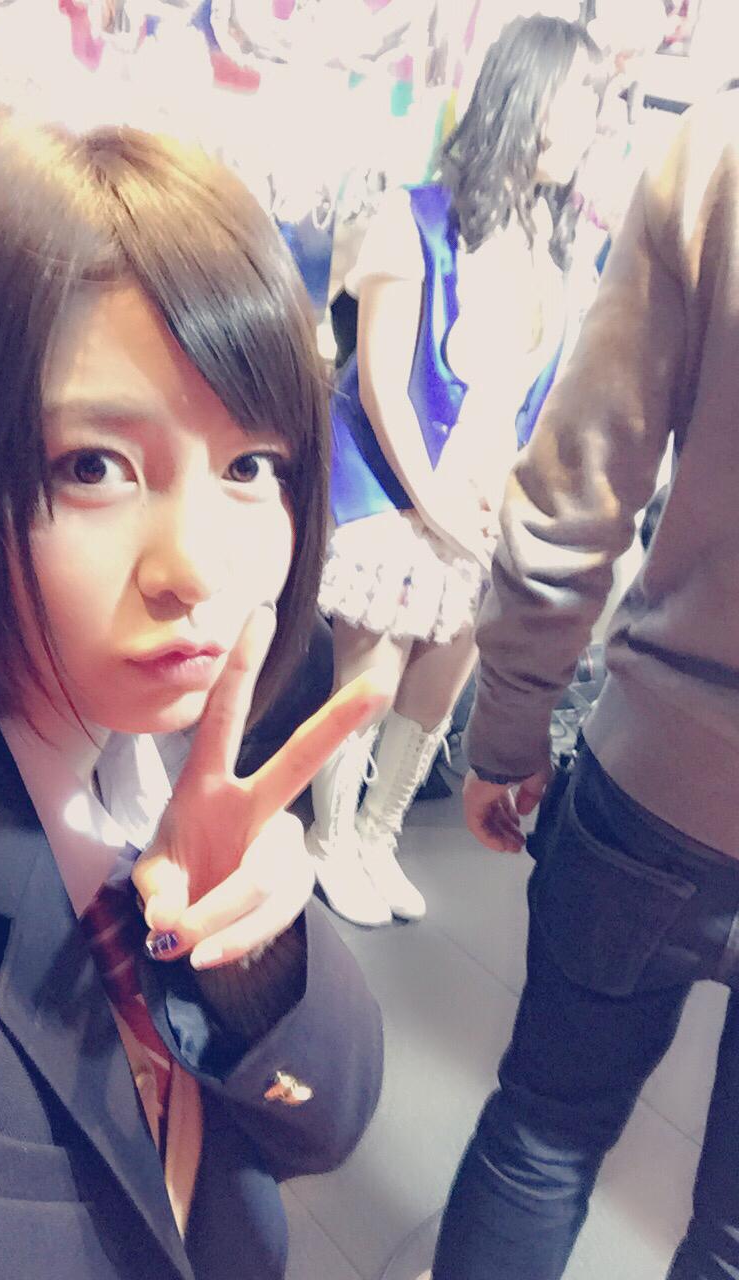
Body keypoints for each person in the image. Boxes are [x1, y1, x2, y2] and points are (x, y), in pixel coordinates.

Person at [0, 122, 386, 1280]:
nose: (196, 565)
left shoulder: (165, 778)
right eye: (94, 465)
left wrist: (246, 958)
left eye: (250, 466)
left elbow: (328, 1118)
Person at [429, 94, 739, 1279]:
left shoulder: (718, 152)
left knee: (543, 1133)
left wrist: (508, 728)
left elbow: (580, 481)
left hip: (661, 780)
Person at [305, 14, 602, 927]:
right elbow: (382, 387)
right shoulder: (417, 221)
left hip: (479, 507)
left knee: (437, 689)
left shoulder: (557, 250)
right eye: (583, 97)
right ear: (527, 96)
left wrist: (503, 502)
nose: (593, 121)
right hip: (390, 491)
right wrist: (431, 504)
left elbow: (533, 399)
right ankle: (328, 841)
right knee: (370, 679)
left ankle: (377, 838)